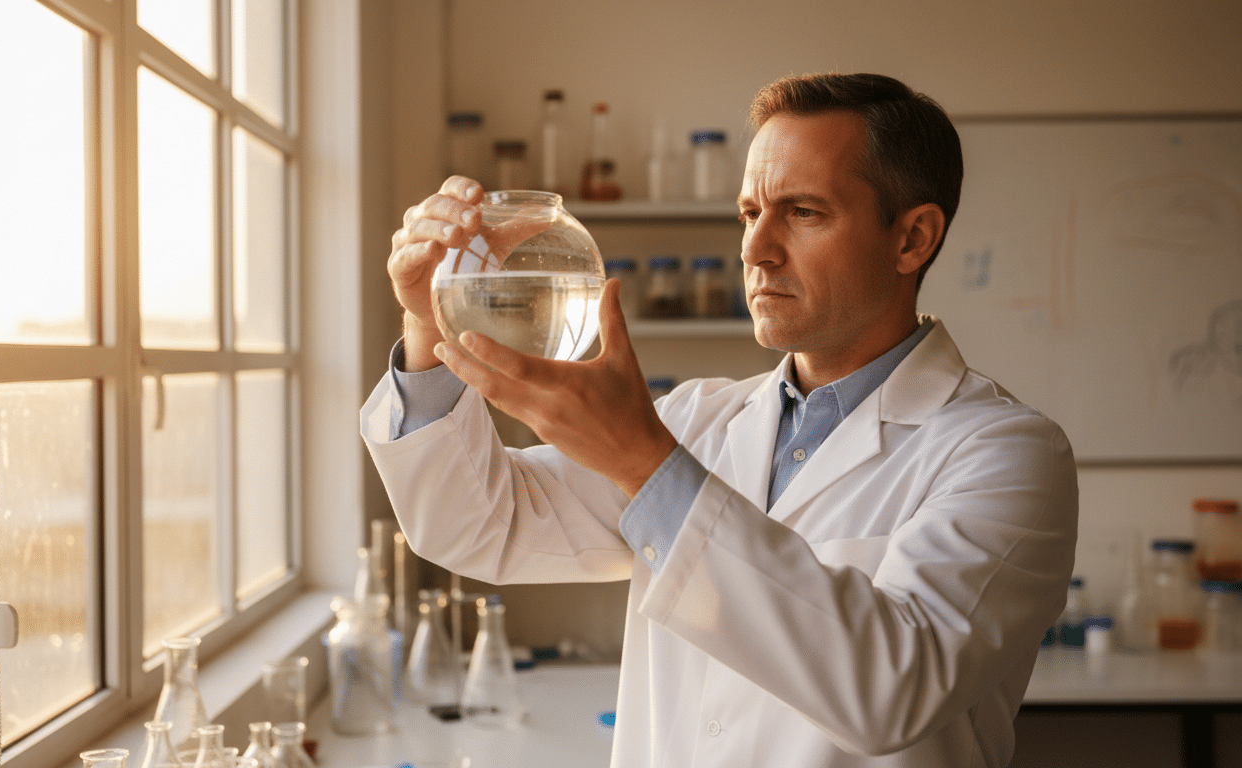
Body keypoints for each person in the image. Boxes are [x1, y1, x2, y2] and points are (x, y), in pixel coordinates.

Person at [364, 72, 1078, 767]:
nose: (755, 249)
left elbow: (892, 690)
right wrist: (426, 324)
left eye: (802, 212)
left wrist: (644, 461)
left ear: (912, 239)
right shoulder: (698, 420)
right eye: (749, 213)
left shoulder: (1007, 455)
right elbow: (479, 526)